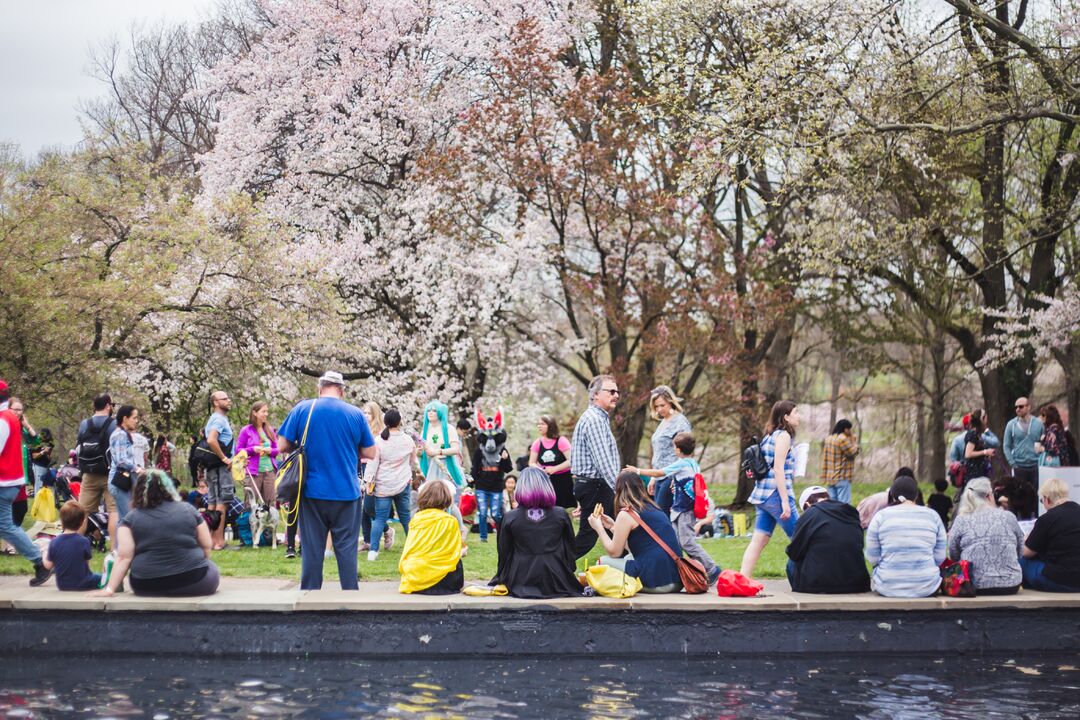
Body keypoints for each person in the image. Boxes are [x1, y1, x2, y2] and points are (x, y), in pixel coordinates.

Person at [277, 371, 375, 591]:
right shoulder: (355, 414)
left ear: (319, 388)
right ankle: (350, 597)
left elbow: (282, 445)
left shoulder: (303, 409)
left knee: (312, 550)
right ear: (341, 390)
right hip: (347, 492)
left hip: (312, 491)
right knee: (347, 551)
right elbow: (370, 452)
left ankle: (310, 599)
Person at [90, 470, 220, 597]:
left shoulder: (130, 519)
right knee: (212, 567)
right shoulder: (189, 510)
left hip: (146, 585)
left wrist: (110, 589)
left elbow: (124, 557)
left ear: (138, 490)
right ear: (168, 488)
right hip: (196, 583)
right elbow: (206, 546)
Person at [627, 432, 720, 584]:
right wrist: (675, 485)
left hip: (685, 510)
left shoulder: (682, 463)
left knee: (687, 542)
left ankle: (711, 569)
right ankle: (684, 572)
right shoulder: (693, 464)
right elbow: (688, 482)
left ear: (677, 449)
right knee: (675, 543)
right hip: (680, 509)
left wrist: (637, 471)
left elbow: (659, 472)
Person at [492, 467, 581, 598]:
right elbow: (570, 550)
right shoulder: (561, 514)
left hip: (520, 579)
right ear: (547, 486)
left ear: (520, 487)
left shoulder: (510, 517)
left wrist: (501, 577)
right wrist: (567, 572)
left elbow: (504, 552)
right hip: (557, 578)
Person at [591, 469, 682, 593]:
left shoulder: (626, 513)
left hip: (657, 584)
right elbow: (639, 548)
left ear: (618, 491)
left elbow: (614, 553)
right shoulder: (655, 508)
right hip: (677, 582)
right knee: (629, 557)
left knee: (601, 562)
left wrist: (599, 528)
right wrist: (613, 527)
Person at [740, 400, 801, 578]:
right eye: (796, 412)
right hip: (776, 495)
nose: (799, 416)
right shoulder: (783, 436)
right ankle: (811, 578)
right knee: (801, 538)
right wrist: (785, 501)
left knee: (759, 540)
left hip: (763, 495)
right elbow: (778, 469)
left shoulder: (770, 435)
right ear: (786, 417)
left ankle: (743, 579)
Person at [0, 380, 51, 586]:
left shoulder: (3, 420)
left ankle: (39, 561)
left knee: (7, 527)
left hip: (4, 482)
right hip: (10, 482)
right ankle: (39, 562)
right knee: (6, 526)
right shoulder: (11, 418)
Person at [865, 475, 946, 598]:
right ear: (916, 495)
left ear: (892, 495)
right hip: (927, 586)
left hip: (887, 586)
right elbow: (940, 558)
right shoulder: (932, 516)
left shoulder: (880, 516)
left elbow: (872, 558)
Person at [570, 375, 621, 558]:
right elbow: (603, 462)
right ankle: (552, 570)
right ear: (596, 395)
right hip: (596, 486)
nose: (616, 395)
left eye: (617, 392)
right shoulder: (594, 420)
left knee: (615, 531)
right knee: (587, 537)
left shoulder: (598, 418)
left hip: (594, 485)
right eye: (611, 391)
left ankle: (624, 572)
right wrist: (620, 488)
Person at [785, 485, 870, 594]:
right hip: (857, 583)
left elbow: (794, 552)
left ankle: (801, 590)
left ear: (807, 504)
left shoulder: (809, 514)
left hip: (818, 585)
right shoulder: (851, 512)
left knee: (791, 563)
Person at [947, 477, 1023, 595]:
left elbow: (953, 554)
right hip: (1011, 584)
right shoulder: (1009, 517)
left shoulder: (961, 520)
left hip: (971, 584)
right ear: (988, 496)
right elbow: (1020, 551)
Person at [366, 408, 417, 561]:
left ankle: (373, 552)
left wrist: (369, 481)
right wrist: (413, 474)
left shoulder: (379, 441)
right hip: (402, 483)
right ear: (399, 422)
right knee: (406, 518)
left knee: (380, 519)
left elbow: (373, 464)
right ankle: (414, 549)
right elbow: (413, 463)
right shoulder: (408, 440)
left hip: (383, 485)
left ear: (385, 422)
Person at [398, 480, 464, 594]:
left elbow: (409, 549)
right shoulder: (450, 521)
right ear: (447, 498)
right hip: (444, 581)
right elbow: (454, 551)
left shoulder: (416, 520)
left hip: (416, 575)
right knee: (457, 562)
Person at [420, 401, 469, 546]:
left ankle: (460, 529)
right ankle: (436, 533)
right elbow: (421, 451)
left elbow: (455, 449)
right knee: (431, 500)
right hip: (431, 467)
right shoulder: (425, 430)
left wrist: (438, 452)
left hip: (445, 467)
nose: (431, 413)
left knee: (448, 500)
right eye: (429, 410)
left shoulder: (449, 429)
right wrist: (419, 452)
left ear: (440, 413)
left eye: (434, 411)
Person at [1020, 478, 1080, 592]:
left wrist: (1025, 540)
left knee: (1022, 560)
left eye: (1042, 501)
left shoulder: (1047, 518)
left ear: (1047, 499)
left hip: (1058, 579)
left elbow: (1027, 553)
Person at [645, 386, 692, 513]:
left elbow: (686, 452)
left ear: (671, 402)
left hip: (671, 476)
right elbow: (659, 453)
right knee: (659, 514)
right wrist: (653, 478)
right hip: (659, 475)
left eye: (662, 405)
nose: (659, 409)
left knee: (661, 515)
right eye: (656, 407)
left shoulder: (680, 422)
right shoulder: (663, 422)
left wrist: (678, 477)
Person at [471, 414, 513, 544]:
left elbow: (508, 469)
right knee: (482, 513)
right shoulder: (479, 451)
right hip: (481, 486)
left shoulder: (502, 449)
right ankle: (483, 537)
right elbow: (475, 467)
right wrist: (473, 481)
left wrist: (505, 459)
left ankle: (502, 535)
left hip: (496, 486)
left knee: (496, 514)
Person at [44, 501, 101, 591]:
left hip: (62, 585)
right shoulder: (84, 541)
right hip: (83, 583)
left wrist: (45, 552)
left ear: (61, 522)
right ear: (82, 523)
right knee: (101, 577)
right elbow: (86, 565)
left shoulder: (54, 542)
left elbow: (48, 565)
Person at [203, 391, 235, 551]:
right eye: (224, 399)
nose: (228, 401)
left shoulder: (214, 419)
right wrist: (224, 458)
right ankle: (219, 541)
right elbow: (211, 439)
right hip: (220, 467)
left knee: (213, 502)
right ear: (215, 402)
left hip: (211, 468)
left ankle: (210, 540)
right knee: (222, 501)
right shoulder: (218, 419)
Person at [235, 402, 279, 508]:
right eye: (263, 411)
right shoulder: (246, 430)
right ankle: (250, 524)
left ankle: (268, 525)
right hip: (253, 473)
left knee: (270, 505)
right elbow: (237, 451)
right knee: (250, 505)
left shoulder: (270, 430)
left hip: (269, 472)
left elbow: (277, 449)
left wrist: (270, 451)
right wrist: (252, 449)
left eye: (267, 411)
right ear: (255, 413)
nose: (266, 414)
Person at [528, 415, 574, 509]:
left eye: (542, 424)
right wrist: (541, 469)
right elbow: (531, 463)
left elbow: (572, 460)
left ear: (550, 426)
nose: (539, 426)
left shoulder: (561, 441)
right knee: (547, 508)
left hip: (563, 480)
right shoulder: (538, 442)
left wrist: (554, 469)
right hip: (545, 481)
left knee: (562, 509)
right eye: (538, 424)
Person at [108, 405, 143, 526]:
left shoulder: (123, 434)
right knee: (126, 519)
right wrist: (137, 469)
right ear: (125, 418)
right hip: (119, 482)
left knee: (125, 518)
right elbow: (121, 460)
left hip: (123, 481)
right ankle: (122, 544)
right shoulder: (120, 435)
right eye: (134, 417)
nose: (136, 421)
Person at [1003, 397, 1043, 486]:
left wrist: (1041, 458)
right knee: (1020, 495)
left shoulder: (1039, 424)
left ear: (1028, 407)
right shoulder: (1011, 425)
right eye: (1016, 407)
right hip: (1019, 466)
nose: (1018, 409)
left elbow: (1044, 442)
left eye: (1021, 406)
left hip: (1036, 466)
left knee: (1036, 495)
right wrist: (1012, 463)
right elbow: (1006, 446)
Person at [821, 419, 859, 505]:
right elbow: (852, 453)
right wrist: (854, 442)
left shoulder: (829, 438)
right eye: (849, 429)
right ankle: (843, 519)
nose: (850, 431)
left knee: (833, 505)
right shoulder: (842, 439)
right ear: (845, 429)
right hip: (841, 476)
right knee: (844, 505)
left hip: (830, 477)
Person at [963, 409, 995, 485]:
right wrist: (985, 452)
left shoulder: (979, 433)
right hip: (974, 473)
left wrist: (987, 454)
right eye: (985, 416)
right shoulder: (973, 433)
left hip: (981, 470)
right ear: (982, 419)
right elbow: (968, 454)